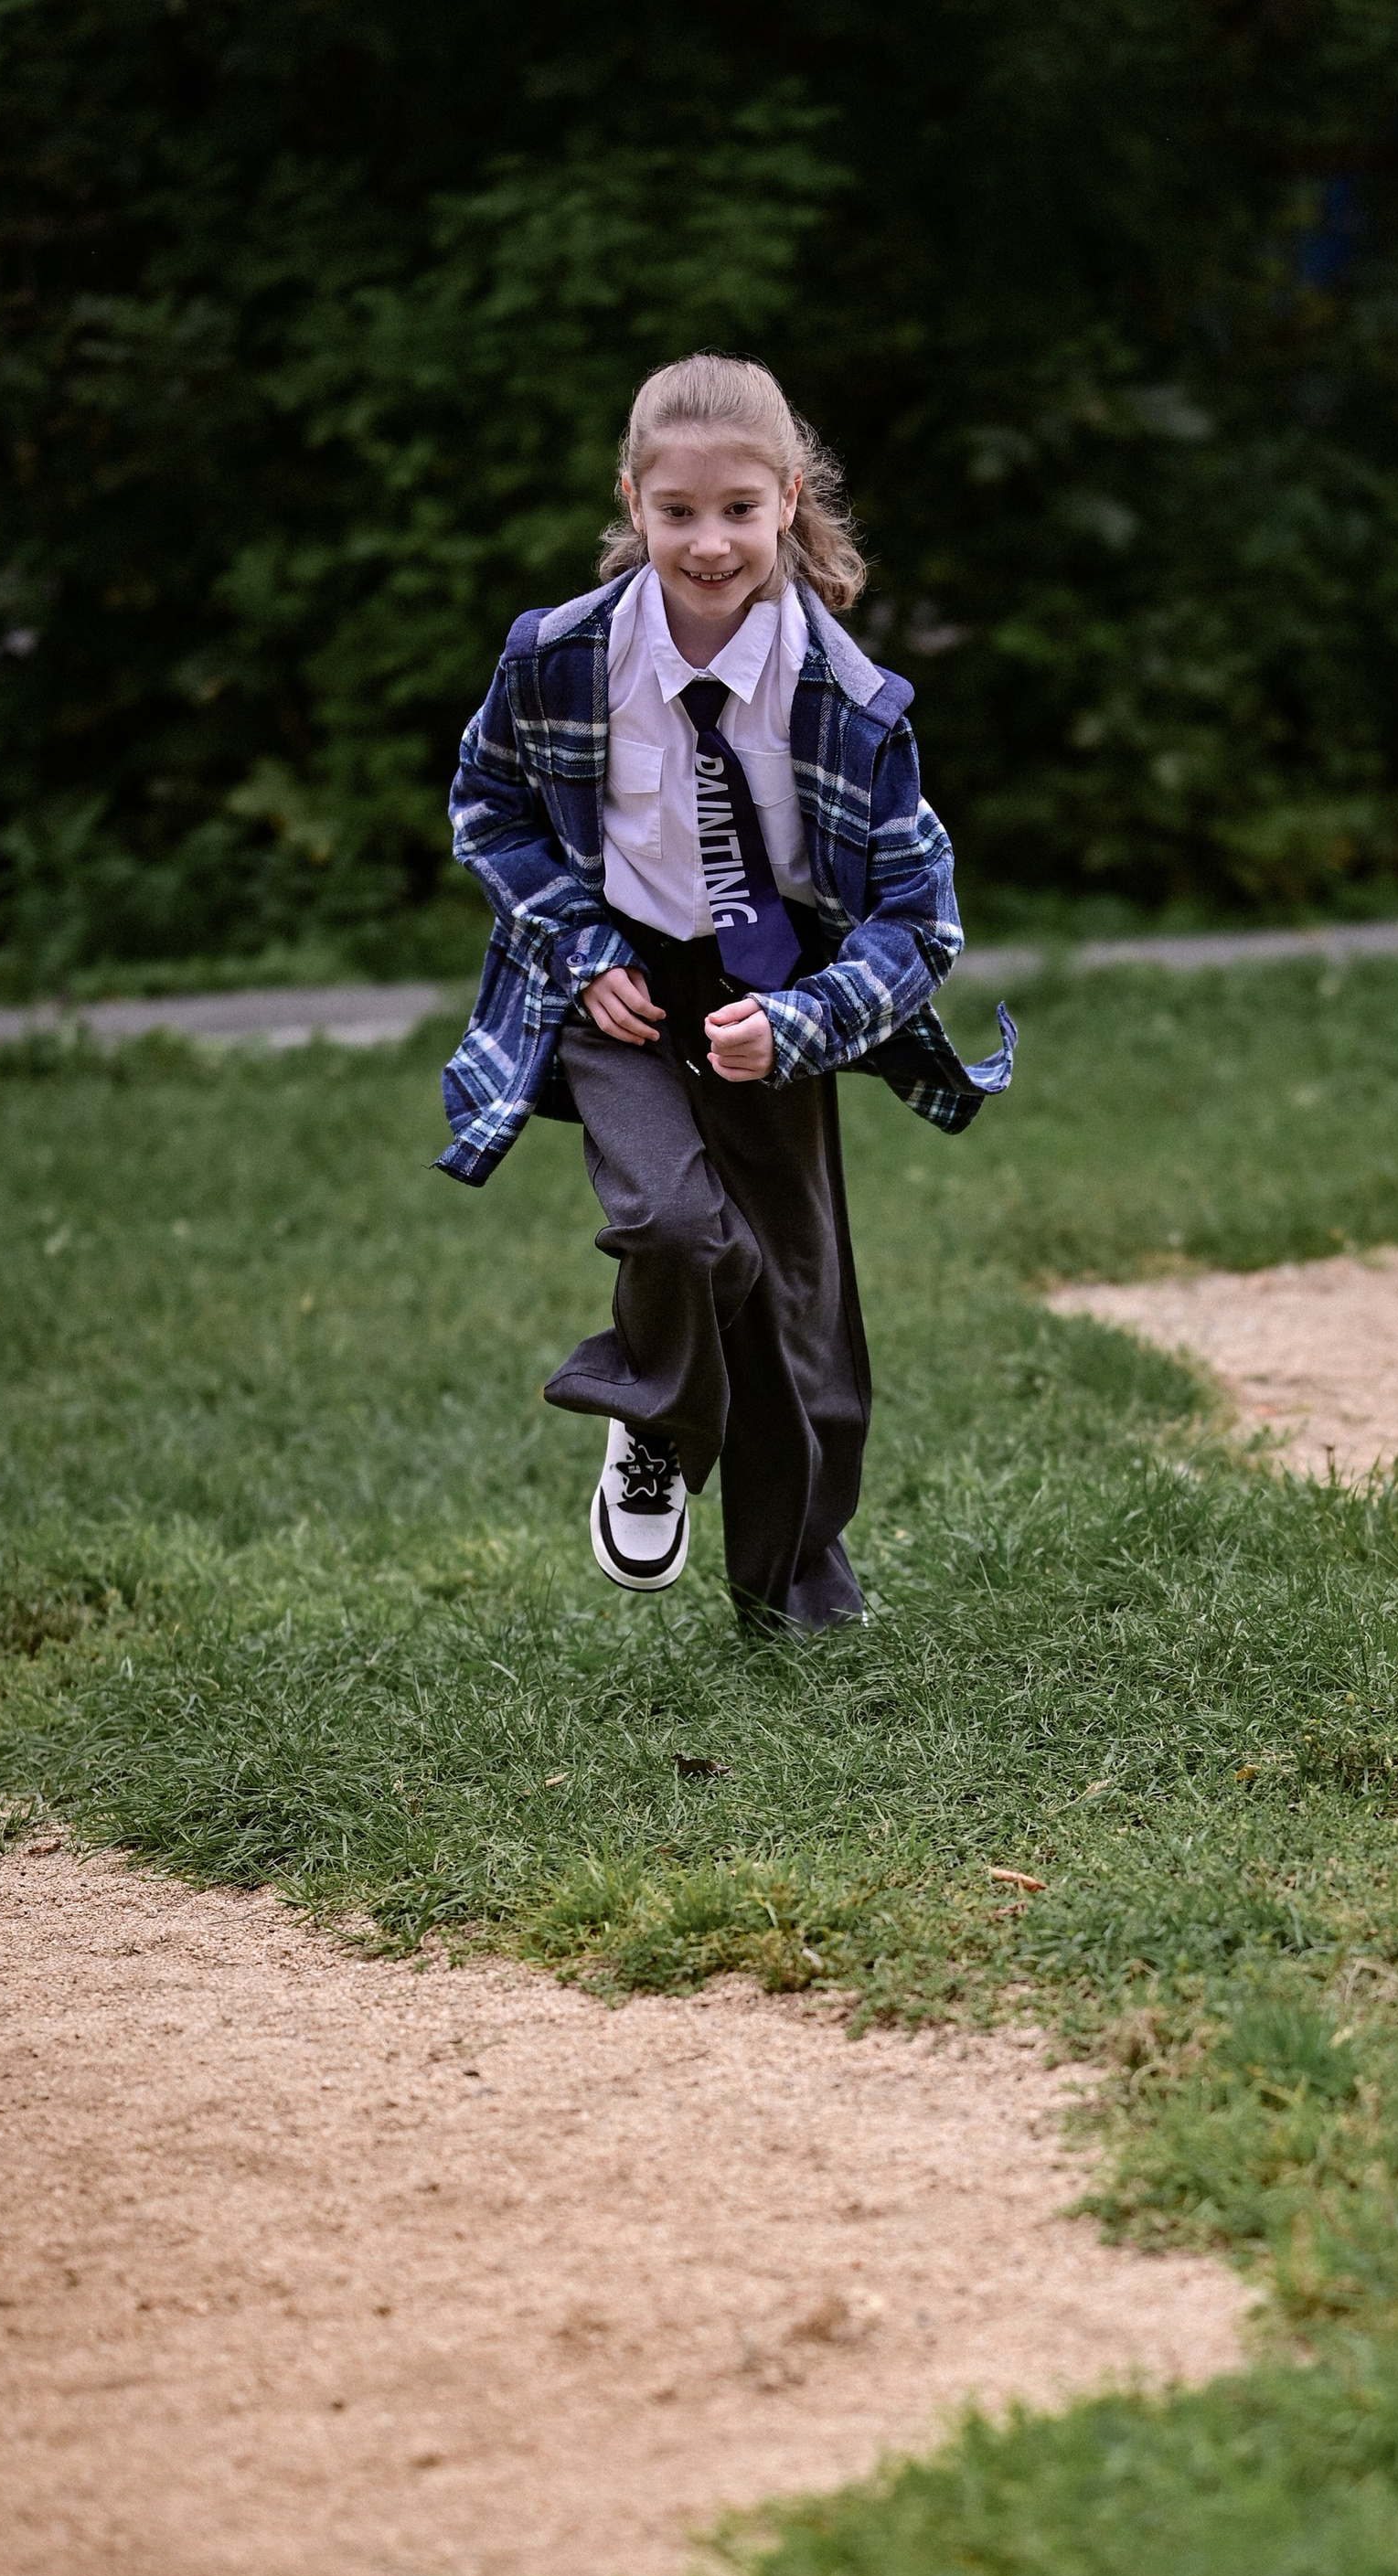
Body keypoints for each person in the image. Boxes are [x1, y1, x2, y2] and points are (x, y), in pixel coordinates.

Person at [434, 352, 1013, 1632]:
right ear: (632, 499)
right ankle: (653, 1419)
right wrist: (580, 951)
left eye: (740, 511)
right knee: (678, 1228)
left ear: (790, 499)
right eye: (678, 511)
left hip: (772, 990)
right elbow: (490, 807)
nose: (708, 543)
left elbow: (922, 918)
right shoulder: (559, 662)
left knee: (802, 1317)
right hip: (621, 985)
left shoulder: (849, 702)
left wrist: (802, 1022)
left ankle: (793, 1599)